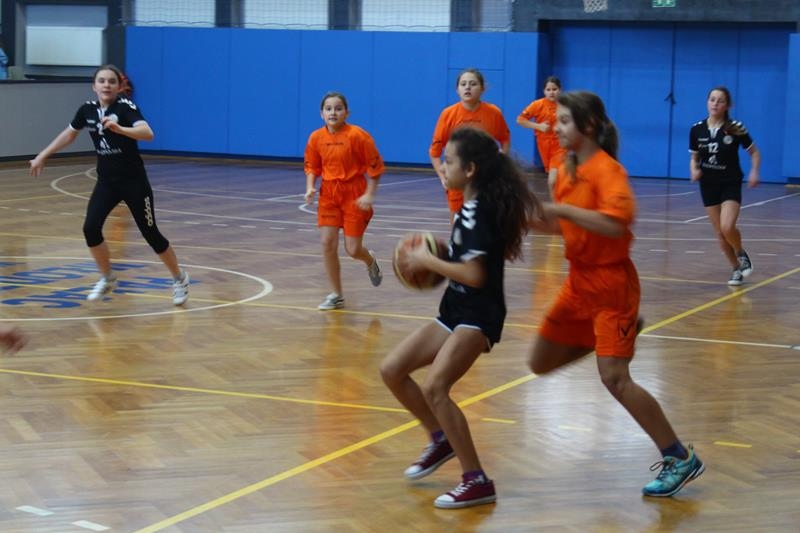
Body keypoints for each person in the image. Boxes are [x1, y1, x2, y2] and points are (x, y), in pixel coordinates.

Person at [528, 91, 704, 498]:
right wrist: (527, 220)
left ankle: (679, 457)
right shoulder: (567, 167)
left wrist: (563, 211)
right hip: (577, 282)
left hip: (612, 287)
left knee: (615, 378)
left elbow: (615, 223)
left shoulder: (609, 171)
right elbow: (564, 226)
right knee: (539, 362)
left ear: (588, 126)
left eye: (565, 121)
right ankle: (609, 341)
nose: (556, 127)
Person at [381, 127, 539, 509]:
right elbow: (464, 262)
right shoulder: (468, 208)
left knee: (436, 387)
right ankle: (441, 439)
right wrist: (436, 258)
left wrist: (427, 260)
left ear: (469, 170)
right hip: (455, 310)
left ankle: (477, 480)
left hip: (479, 316)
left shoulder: (479, 212)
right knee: (392, 370)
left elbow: (475, 274)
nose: (442, 166)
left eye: (448, 161)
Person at [29, 64, 190, 305]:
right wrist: (43, 155)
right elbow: (69, 134)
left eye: (112, 81)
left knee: (151, 233)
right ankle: (107, 277)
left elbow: (147, 133)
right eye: (102, 81)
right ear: (94, 86)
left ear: (119, 87)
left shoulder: (126, 107)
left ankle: (179, 278)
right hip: (107, 183)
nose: (106, 85)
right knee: (90, 229)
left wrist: (120, 129)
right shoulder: (87, 110)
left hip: (134, 183)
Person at [304, 91, 383, 310]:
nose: (333, 112)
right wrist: (310, 187)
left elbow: (375, 167)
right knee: (327, 244)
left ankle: (370, 260)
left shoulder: (358, 136)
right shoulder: (316, 138)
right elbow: (312, 165)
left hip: (354, 193)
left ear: (347, 113)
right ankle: (336, 295)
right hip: (329, 194)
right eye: (328, 108)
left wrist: (370, 193)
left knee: (353, 249)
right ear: (321, 113)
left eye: (338, 108)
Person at [690, 86, 760, 286]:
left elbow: (754, 152)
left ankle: (740, 252)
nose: (715, 104)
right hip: (708, 184)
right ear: (707, 102)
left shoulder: (735, 127)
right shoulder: (697, 129)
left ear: (727, 105)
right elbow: (694, 157)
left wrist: (754, 171)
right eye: (712, 99)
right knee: (720, 234)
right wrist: (694, 170)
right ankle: (736, 268)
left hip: (730, 182)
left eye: (720, 101)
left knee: (727, 226)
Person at [430, 68, 511, 224]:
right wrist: (443, 176)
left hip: (486, 177)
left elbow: (505, 139)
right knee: (457, 221)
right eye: (463, 84)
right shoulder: (448, 114)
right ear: (457, 89)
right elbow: (434, 151)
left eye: (473, 84)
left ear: (482, 88)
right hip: (458, 176)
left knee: (486, 220)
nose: (467, 87)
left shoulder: (494, 113)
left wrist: (501, 161)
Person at [517, 76, 566, 195]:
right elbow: (520, 120)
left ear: (560, 90)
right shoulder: (537, 105)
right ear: (544, 91)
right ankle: (558, 202)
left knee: (553, 181)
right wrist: (538, 126)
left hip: (560, 146)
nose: (551, 92)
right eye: (548, 90)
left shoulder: (565, 106)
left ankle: (558, 204)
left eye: (554, 89)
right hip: (544, 145)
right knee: (554, 180)